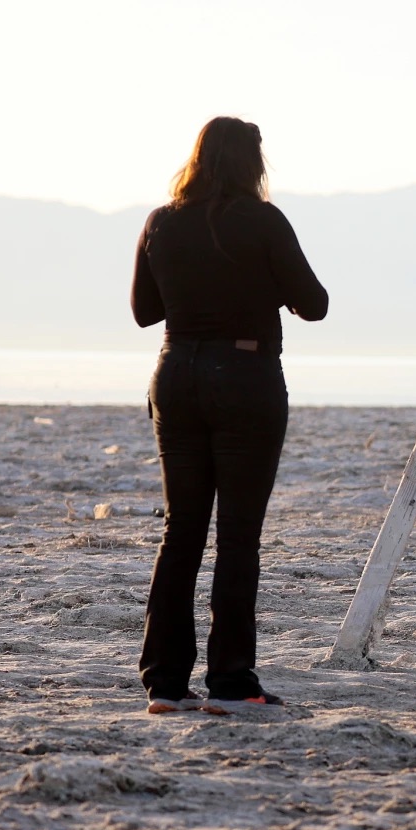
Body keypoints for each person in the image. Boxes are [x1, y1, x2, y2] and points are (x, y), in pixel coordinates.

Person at [130, 117, 328, 714]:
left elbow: (144, 311)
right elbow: (314, 304)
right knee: (238, 537)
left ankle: (165, 685)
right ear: (252, 163)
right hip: (244, 378)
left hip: (176, 373)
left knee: (181, 532)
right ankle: (232, 682)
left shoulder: (161, 222)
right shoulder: (264, 221)